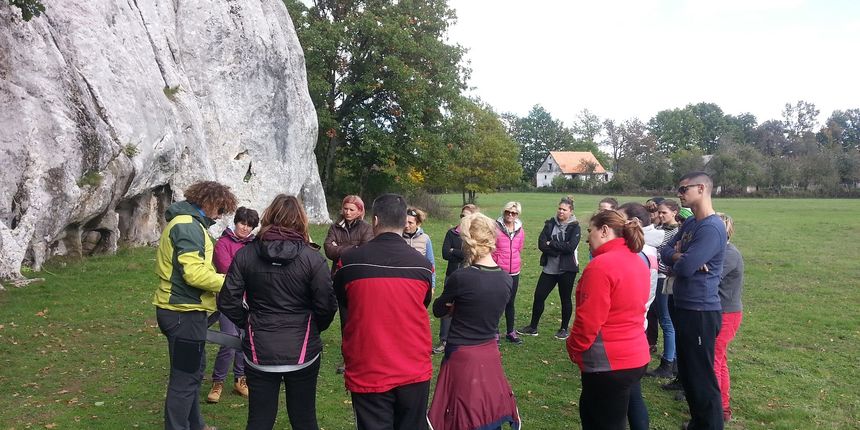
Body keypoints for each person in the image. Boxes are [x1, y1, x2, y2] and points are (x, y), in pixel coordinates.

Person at [218, 194, 337, 430]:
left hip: (268, 347)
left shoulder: (247, 254)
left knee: (259, 421)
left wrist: (248, 323)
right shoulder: (312, 258)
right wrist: (248, 322)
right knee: (304, 420)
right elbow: (326, 305)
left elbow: (227, 299)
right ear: (301, 220)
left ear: (268, 216)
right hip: (296, 350)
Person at [333, 194, 434, 430]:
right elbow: (424, 301)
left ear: (375, 220)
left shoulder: (349, 261)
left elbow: (343, 300)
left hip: (370, 366)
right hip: (411, 367)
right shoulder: (421, 266)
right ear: (403, 221)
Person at [153, 180, 237, 430]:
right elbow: (194, 274)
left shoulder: (189, 223)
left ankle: (196, 425)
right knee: (185, 378)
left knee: (193, 373)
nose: (220, 215)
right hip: (183, 314)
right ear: (208, 202)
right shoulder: (188, 227)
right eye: (220, 209)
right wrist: (232, 283)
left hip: (184, 312)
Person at [428, 213, 521, 430]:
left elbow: (438, 308)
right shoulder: (506, 279)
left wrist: (454, 308)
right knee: (486, 410)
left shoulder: (462, 277)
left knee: (463, 415)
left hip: (463, 355)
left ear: (468, 241)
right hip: (489, 353)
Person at [566, 209, 650, 430]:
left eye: (590, 231)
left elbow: (588, 321)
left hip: (609, 363)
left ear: (604, 230)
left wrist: (574, 349)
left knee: (601, 422)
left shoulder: (601, 266)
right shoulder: (637, 261)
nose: (586, 238)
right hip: (635, 355)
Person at [660, 172, 727, 430]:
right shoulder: (689, 225)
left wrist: (681, 258)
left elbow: (686, 267)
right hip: (682, 304)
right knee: (687, 373)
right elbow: (665, 251)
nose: (679, 193)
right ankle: (698, 423)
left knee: (701, 376)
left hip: (700, 310)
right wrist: (680, 256)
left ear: (701, 188)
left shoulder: (712, 227)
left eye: (683, 188)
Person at [207, 207, 260, 403]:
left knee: (245, 340)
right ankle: (217, 382)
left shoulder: (254, 244)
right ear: (236, 222)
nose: (245, 228)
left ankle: (240, 379)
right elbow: (227, 270)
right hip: (229, 300)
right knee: (228, 340)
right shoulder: (223, 243)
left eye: (249, 225)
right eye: (242, 223)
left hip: (251, 299)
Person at [617, 202, 662, 430]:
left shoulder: (640, 253)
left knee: (630, 393)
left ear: (633, 223)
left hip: (630, 326)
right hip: (638, 322)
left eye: (619, 218)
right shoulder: (648, 249)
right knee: (631, 392)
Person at [518, 196, 581, 340]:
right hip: (549, 268)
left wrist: (551, 243)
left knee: (565, 298)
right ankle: (533, 327)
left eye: (564, 209)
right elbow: (541, 244)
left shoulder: (575, 226)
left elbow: (571, 247)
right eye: (559, 208)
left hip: (567, 269)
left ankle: (564, 329)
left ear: (571, 211)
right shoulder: (550, 223)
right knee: (539, 296)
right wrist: (557, 249)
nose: (561, 212)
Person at [323, 195, 374, 373]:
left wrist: (341, 249)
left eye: (352, 209)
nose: (348, 212)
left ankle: (363, 356)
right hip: (339, 277)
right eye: (345, 208)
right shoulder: (335, 227)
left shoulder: (367, 228)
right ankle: (348, 359)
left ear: (360, 211)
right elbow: (329, 249)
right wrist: (354, 248)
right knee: (345, 321)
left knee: (359, 319)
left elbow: (366, 250)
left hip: (359, 278)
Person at [435, 204, 480, 353]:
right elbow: (445, 254)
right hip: (452, 276)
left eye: (466, 216)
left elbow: (474, 254)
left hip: (472, 277)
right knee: (447, 308)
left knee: (468, 308)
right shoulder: (451, 233)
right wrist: (461, 253)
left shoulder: (476, 235)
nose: (463, 219)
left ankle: (466, 339)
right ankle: (444, 340)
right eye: (461, 215)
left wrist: (455, 251)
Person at [646, 199, 682, 379]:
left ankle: (668, 363)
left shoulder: (675, 232)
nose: (660, 215)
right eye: (659, 212)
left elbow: (659, 249)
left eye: (664, 213)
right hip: (656, 276)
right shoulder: (661, 229)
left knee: (666, 321)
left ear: (675, 212)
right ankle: (672, 357)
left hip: (663, 278)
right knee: (662, 318)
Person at [715, 213, 744, 423]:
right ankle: (722, 408)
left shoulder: (729, 254)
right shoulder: (719, 251)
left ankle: (714, 412)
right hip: (720, 312)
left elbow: (707, 278)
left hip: (726, 314)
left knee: (714, 363)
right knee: (719, 360)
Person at [492, 201, 526, 345]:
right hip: (498, 271)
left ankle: (511, 332)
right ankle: (494, 332)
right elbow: (490, 248)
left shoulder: (520, 230)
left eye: (514, 213)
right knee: (497, 302)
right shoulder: (495, 228)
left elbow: (519, 248)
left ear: (517, 215)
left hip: (514, 271)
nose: (510, 215)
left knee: (510, 302)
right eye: (508, 212)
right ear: (504, 212)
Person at [403, 206, 436, 289]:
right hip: (402, 281)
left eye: (410, 223)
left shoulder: (425, 239)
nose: (406, 225)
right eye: (404, 222)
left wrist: (432, 285)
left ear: (418, 224)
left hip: (419, 281)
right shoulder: (398, 237)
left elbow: (431, 263)